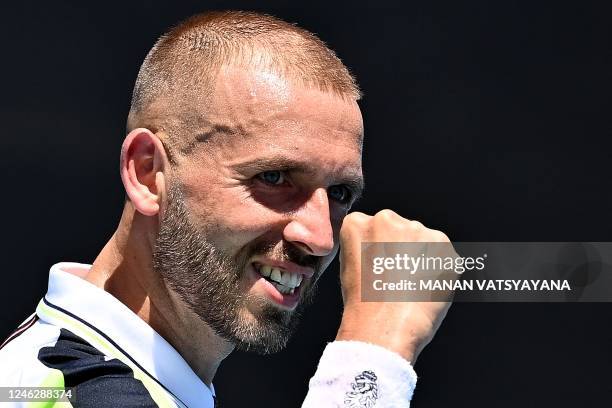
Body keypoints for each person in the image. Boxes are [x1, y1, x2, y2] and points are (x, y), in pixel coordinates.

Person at [0, 11, 451, 407]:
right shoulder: (62, 389)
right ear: (146, 174)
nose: (320, 238)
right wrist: (375, 351)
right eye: (273, 177)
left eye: (339, 194)